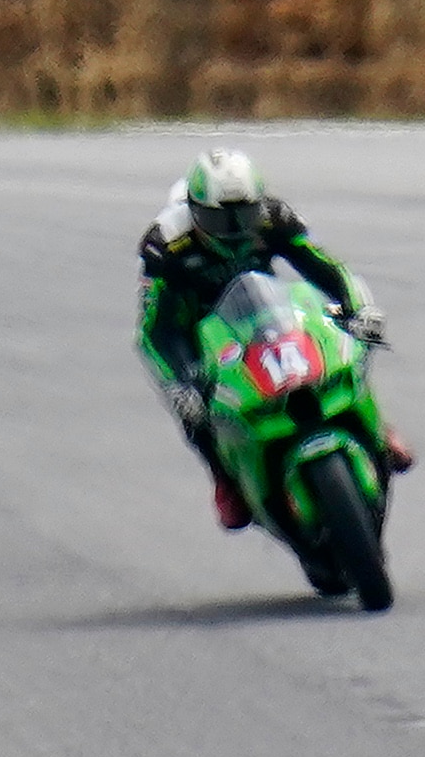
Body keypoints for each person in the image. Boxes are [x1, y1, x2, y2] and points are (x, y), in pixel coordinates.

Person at [137, 149, 409, 532]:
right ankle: (227, 480)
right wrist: (182, 382)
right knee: (196, 411)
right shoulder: (165, 244)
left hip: (263, 310)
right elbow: (155, 330)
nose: (233, 228)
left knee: (341, 347)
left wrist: (359, 309)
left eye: (243, 215)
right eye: (219, 218)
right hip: (196, 329)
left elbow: (327, 269)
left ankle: (376, 429)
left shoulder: (273, 216)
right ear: (195, 211)